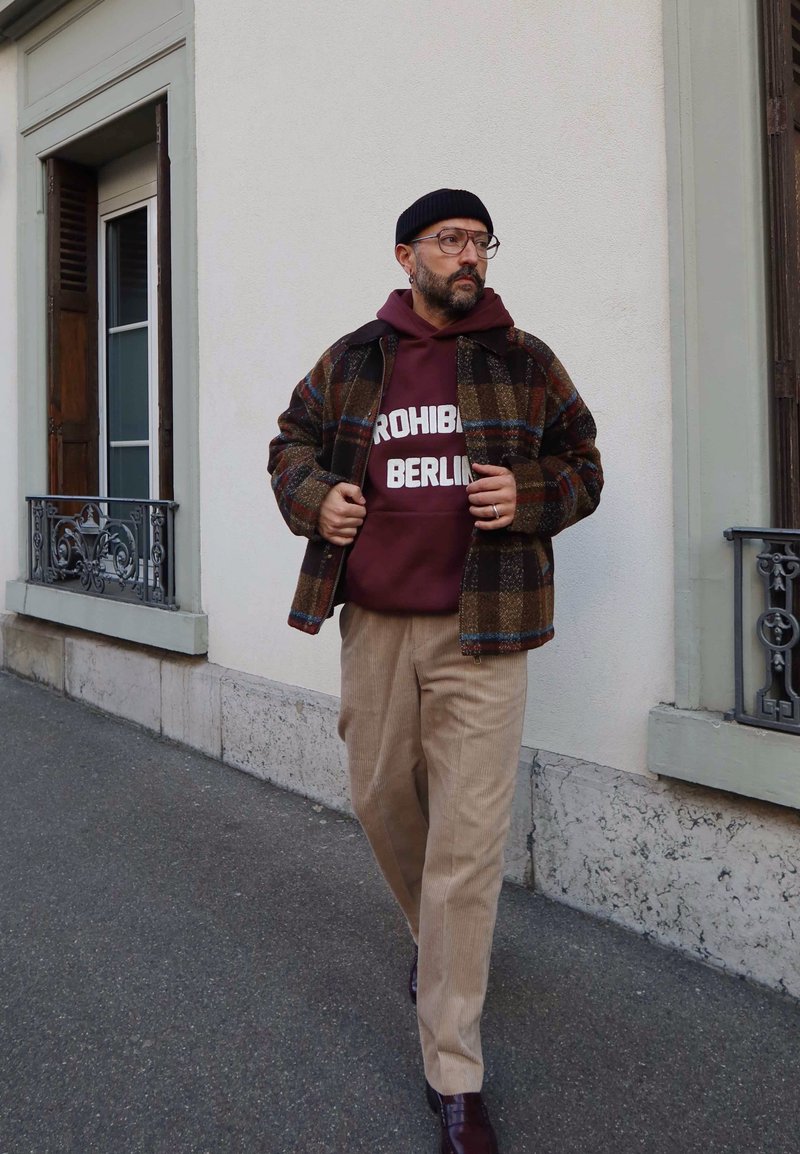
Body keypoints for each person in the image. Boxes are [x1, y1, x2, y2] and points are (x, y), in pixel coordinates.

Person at [268, 188, 603, 1154]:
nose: (470, 256)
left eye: (481, 241)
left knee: (466, 846)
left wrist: (533, 490)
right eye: (451, 240)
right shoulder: (355, 358)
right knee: (379, 796)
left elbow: (584, 464)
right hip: (376, 625)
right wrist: (317, 497)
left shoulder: (525, 360)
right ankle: (438, 946)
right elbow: (288, 445)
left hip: (483, 632)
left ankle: (453, 1072)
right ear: (407, 252)